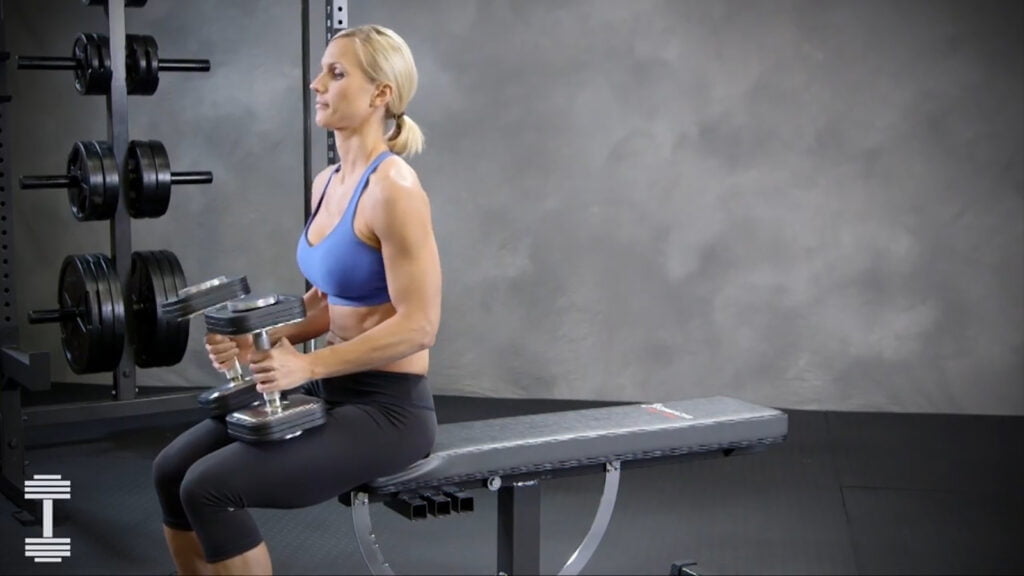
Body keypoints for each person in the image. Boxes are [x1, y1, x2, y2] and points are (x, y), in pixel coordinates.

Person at [152, 24, 441, 575]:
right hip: (324, 388)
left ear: (381, 93)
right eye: (320, 72)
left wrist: (304, 363)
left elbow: (419, 326)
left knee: (210, 488)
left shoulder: (394, 190)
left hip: (387, 410)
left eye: (336, 73)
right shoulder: (327, 182)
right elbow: (329, 302)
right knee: (171, 471)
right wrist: (257, 341)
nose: (316, 84)